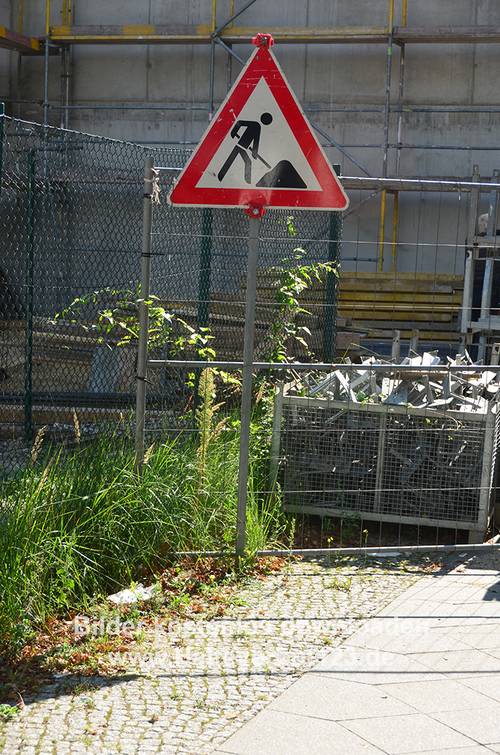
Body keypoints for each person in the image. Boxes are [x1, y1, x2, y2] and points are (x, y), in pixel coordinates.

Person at [217, 113, 273, 184]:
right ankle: (246, 182)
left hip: (242, 147)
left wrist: (254, 152)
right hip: (240, 146)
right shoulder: (256, 125)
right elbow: (239, 123)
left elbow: (256, 141)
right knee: (241, 161)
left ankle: (221, 176)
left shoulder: (257, 126)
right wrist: (234, 132)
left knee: (237, 160)